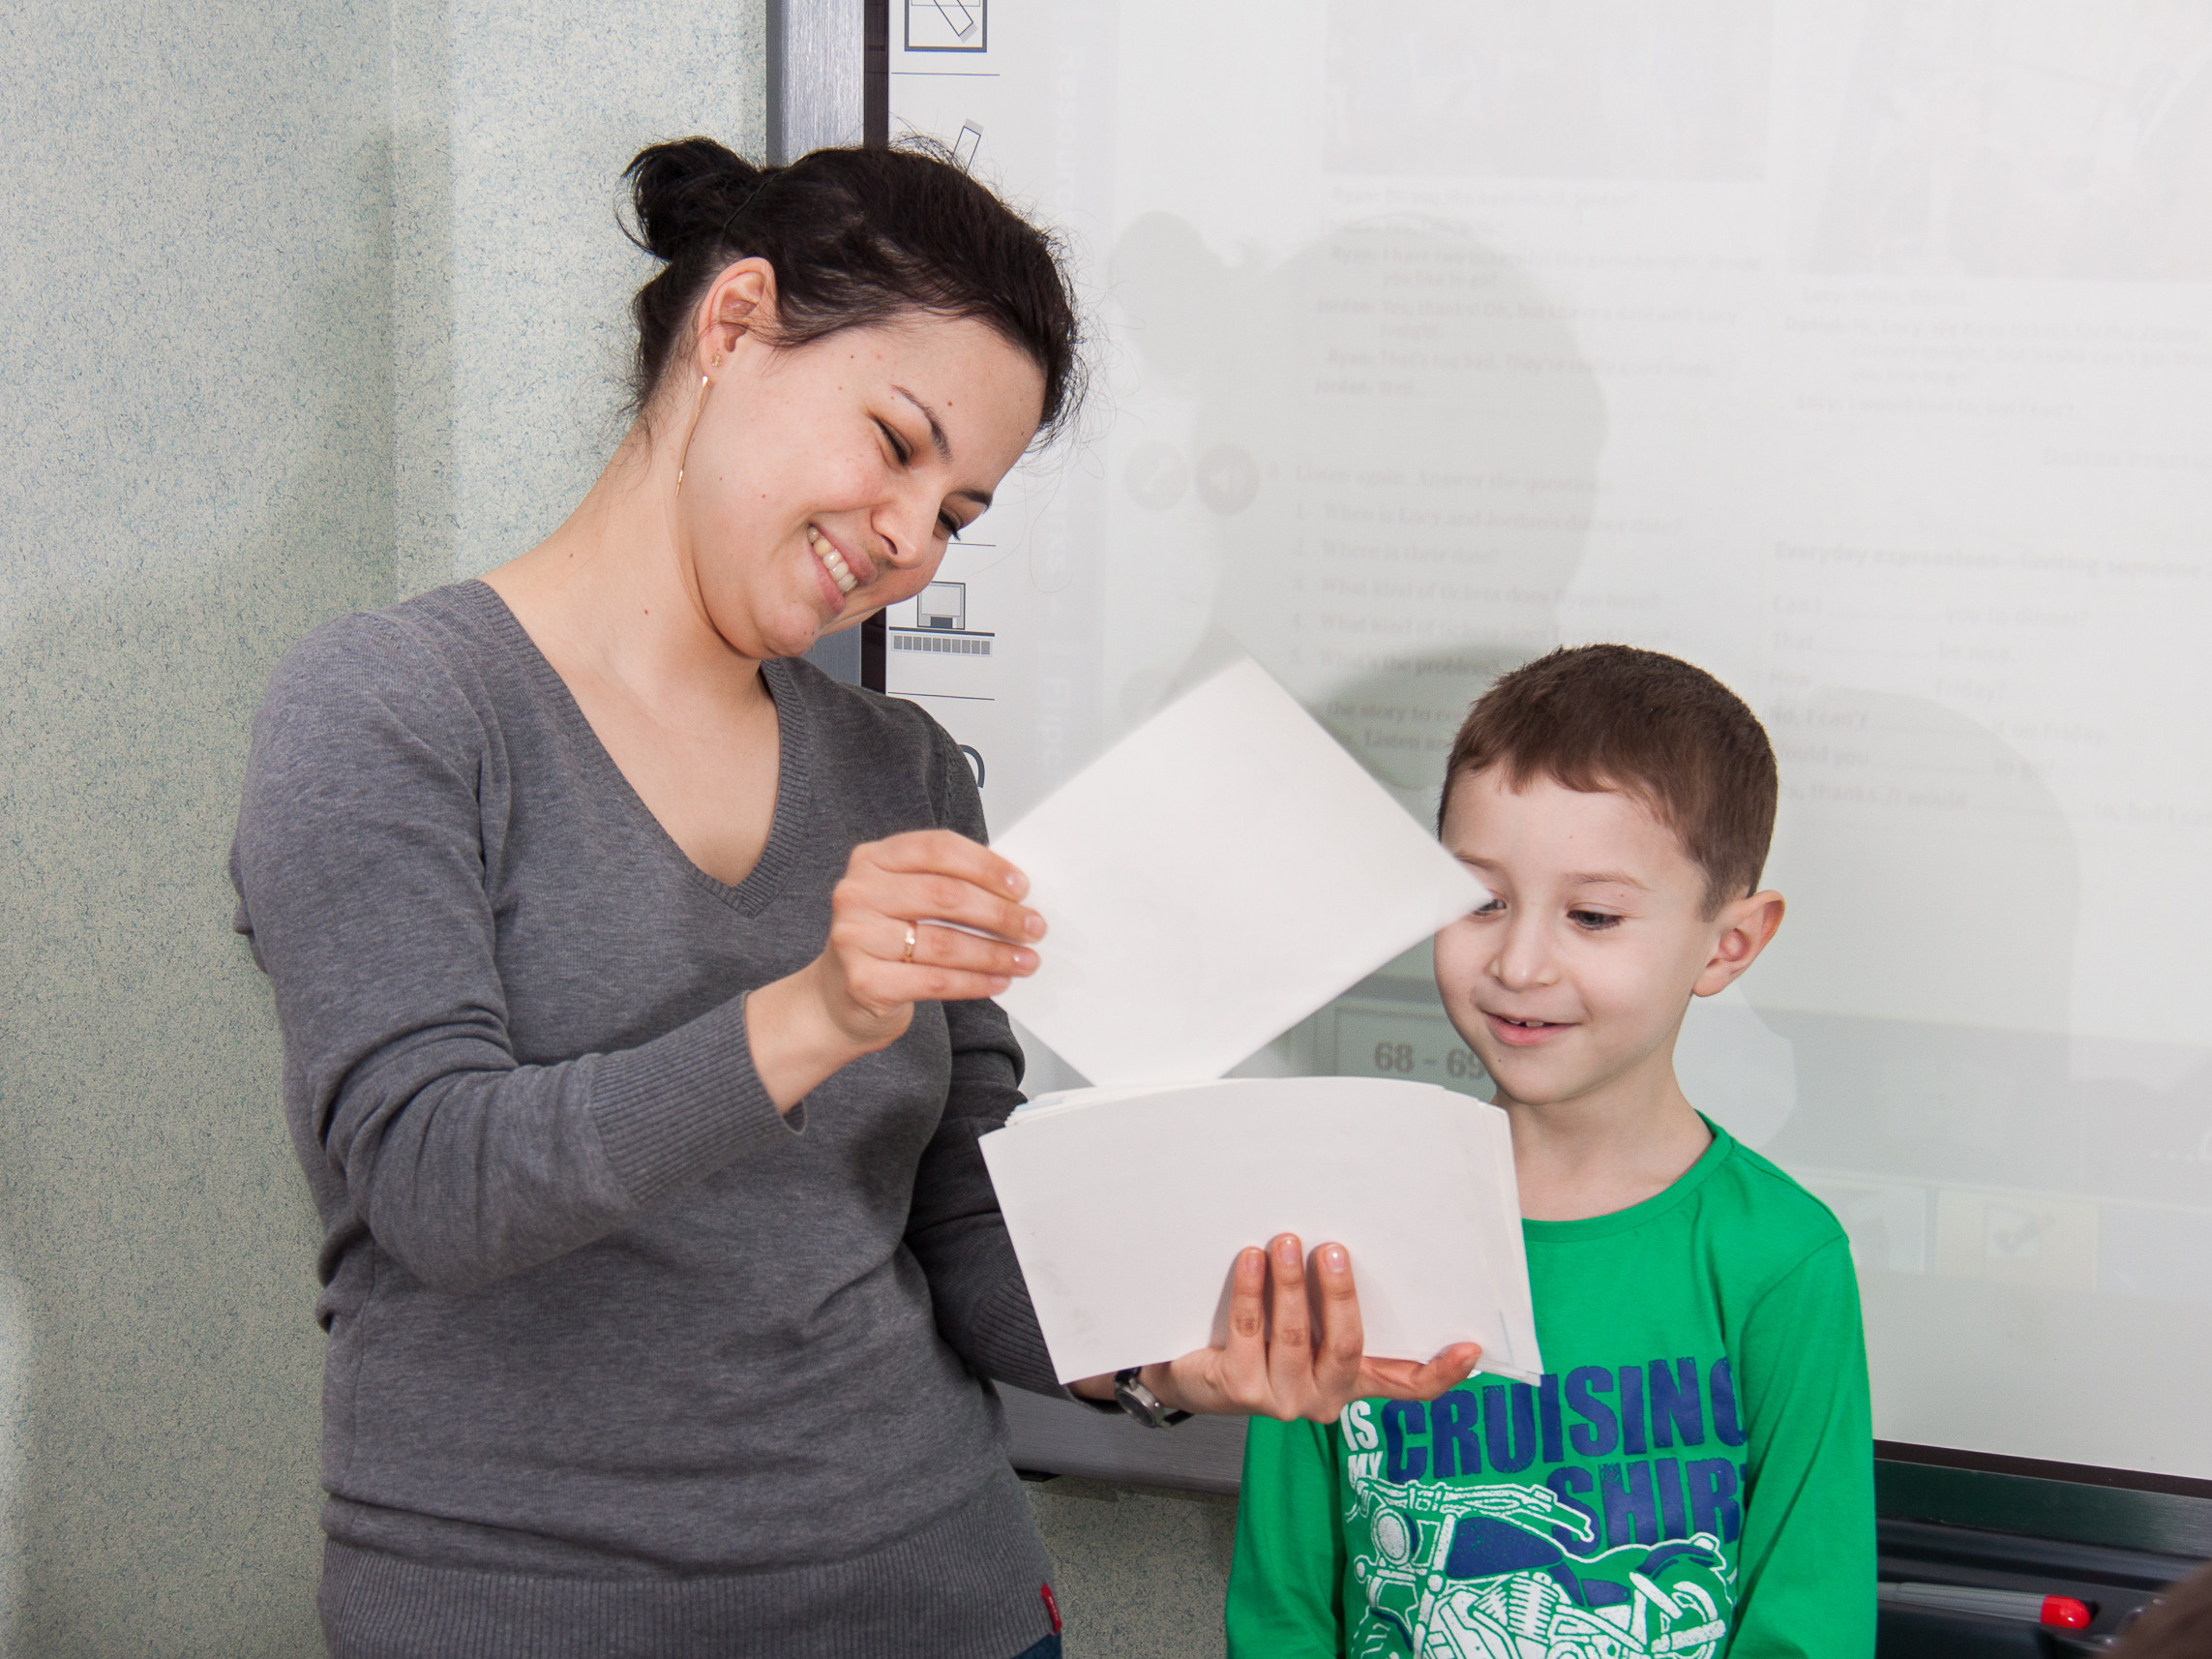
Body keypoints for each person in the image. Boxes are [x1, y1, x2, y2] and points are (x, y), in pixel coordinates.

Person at [228, 137, 1474, 1659]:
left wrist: (1163, 1355)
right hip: (526, 1611)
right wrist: (811, 1012)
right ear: (735, 321)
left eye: (957, 512)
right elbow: (430, 1185)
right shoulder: (393, 706)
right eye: (894, 442)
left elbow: (958, 1226)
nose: (908, 538)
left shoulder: (906, 770)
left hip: (935, 1594)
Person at [1227, 645, 1877, 1658]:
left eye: (1594, 916)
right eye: (1480, 898)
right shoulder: (1339, 1233)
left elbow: (1811, 1618)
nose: (1520, 962)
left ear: (1728, 943)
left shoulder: (1781, 1259)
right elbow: (1282, 1609)